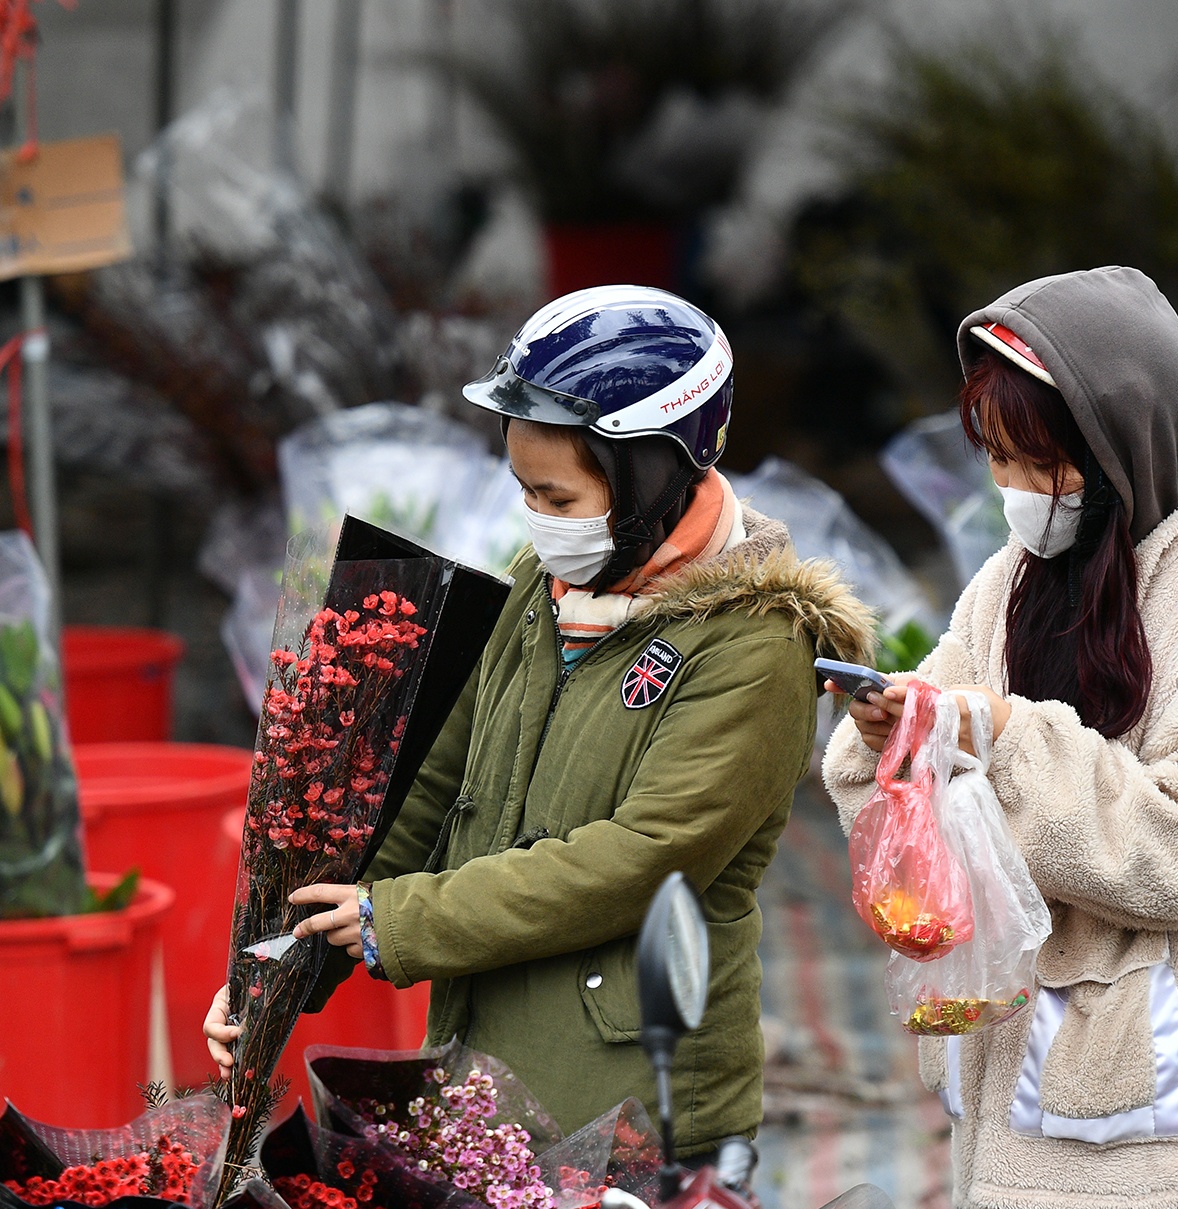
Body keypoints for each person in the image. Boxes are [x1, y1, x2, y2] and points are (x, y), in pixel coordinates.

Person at [207, 285, 872, 1156]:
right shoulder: (542, 587)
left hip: (632, 1099)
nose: (539, 522)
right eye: (525, 492)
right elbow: (435, 788)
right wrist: (284, 963)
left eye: (560, 500)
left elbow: (642, 858)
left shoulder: (756, 642)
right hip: (479, 1076)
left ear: (655, 473)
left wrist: (395, 921)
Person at [822, 267, 1178, 1209]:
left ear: (1123, 443)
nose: (1020, 493)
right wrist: (898, 728)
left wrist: (1002, 737)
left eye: (1045, 462)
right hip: (1015, 1104)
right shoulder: (1010, 584)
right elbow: (905, 777)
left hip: (1169, 1134)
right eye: (1001, 461)